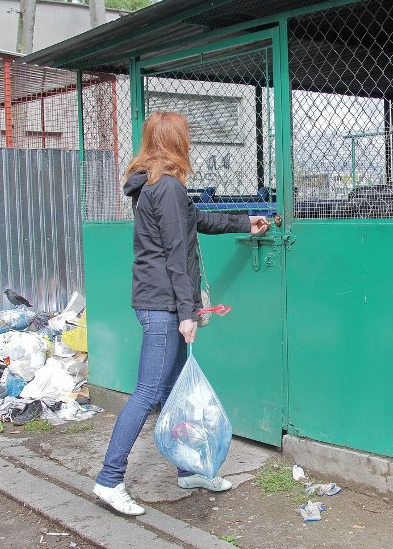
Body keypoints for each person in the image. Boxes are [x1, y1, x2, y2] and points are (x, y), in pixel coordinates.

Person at [93, 111, 270, 516]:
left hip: (156, 300)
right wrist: (187, 312)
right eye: (185, 137)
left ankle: (188, 468)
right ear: (176, 142)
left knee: (175, 392)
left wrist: (246, 221)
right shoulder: (167, 186)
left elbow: (196, 221)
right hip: (162, 305)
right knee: (148, 393)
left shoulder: (150, 185)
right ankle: (109, 478)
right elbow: (176, 254)